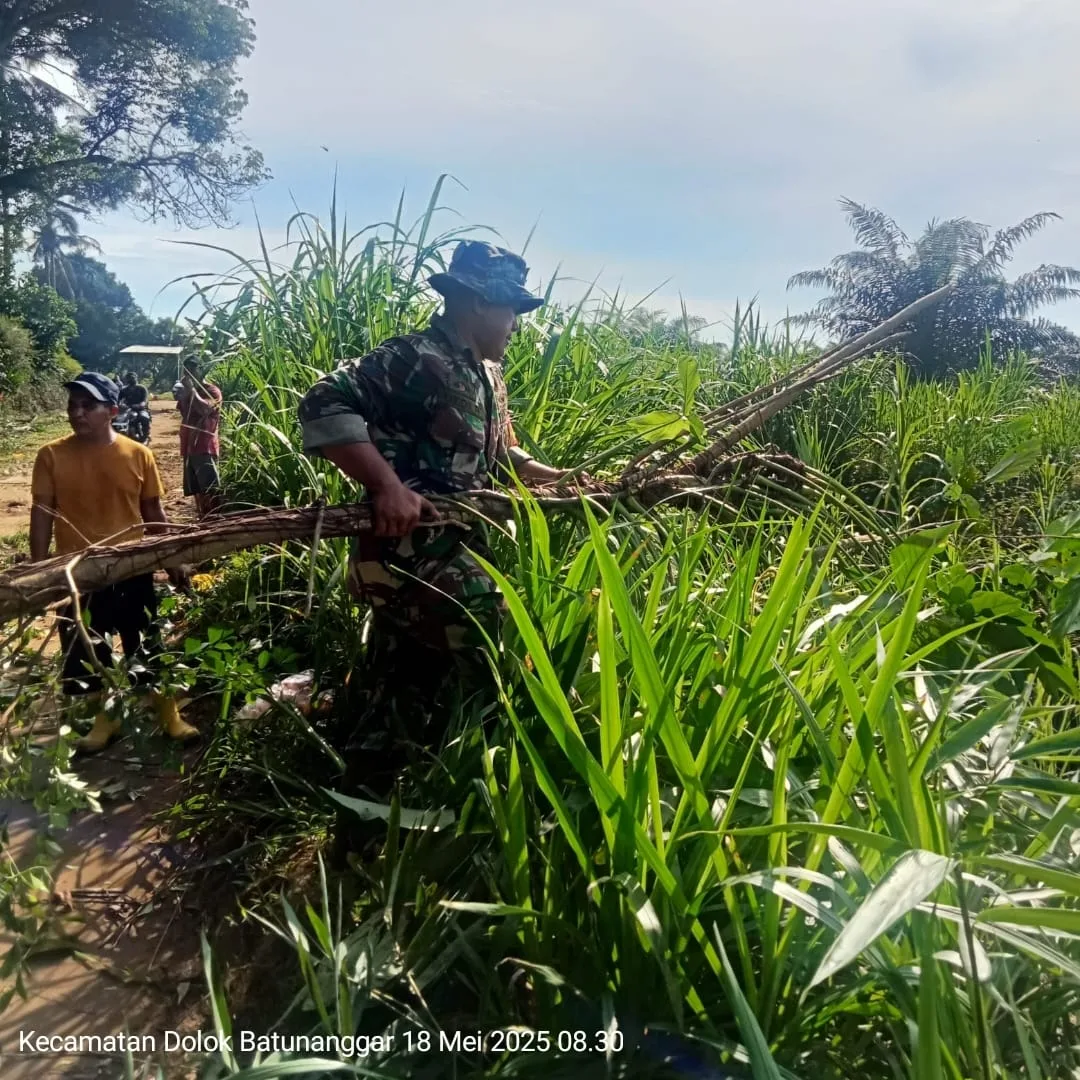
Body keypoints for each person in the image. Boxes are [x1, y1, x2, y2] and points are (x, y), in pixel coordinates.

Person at [298, 240, 587, 853]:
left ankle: (362, 837)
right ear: (476, 301)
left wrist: (556, 480)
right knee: (509, 645)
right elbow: (324, 401)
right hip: (408, 559)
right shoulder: (414, 358)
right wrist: (385, 486)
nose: (516, 323)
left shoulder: (488, 374)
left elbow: (501, 453)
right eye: (510, 308)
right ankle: (529, 814)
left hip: (452, 552)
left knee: (396, 692)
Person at [29, 372, 200, 752]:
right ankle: (104, 721)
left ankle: (168, 713)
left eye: (87, 406)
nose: (77, 413)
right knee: (87, 648)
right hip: (79, 573)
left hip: (131, 567)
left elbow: (152, 509)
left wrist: (173, 559)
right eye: (73, 405)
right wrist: (40, 571)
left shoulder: (138, 454)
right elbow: (42, 512)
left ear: (112, 410)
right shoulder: (51, 455)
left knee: (145, 640)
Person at [175, 358, 223, 518]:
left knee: (210, 488)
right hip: (189, 446)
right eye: (186, 371)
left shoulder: (212, 390)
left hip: (204, 446)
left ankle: (215, 520)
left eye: (192, 370)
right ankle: (203, 518)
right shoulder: (186, 392)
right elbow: (184, 413)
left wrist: (192, 392)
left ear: (201, 370)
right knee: (195, 489)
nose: (189, 374)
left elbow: (205, 410)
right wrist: (184, 394)